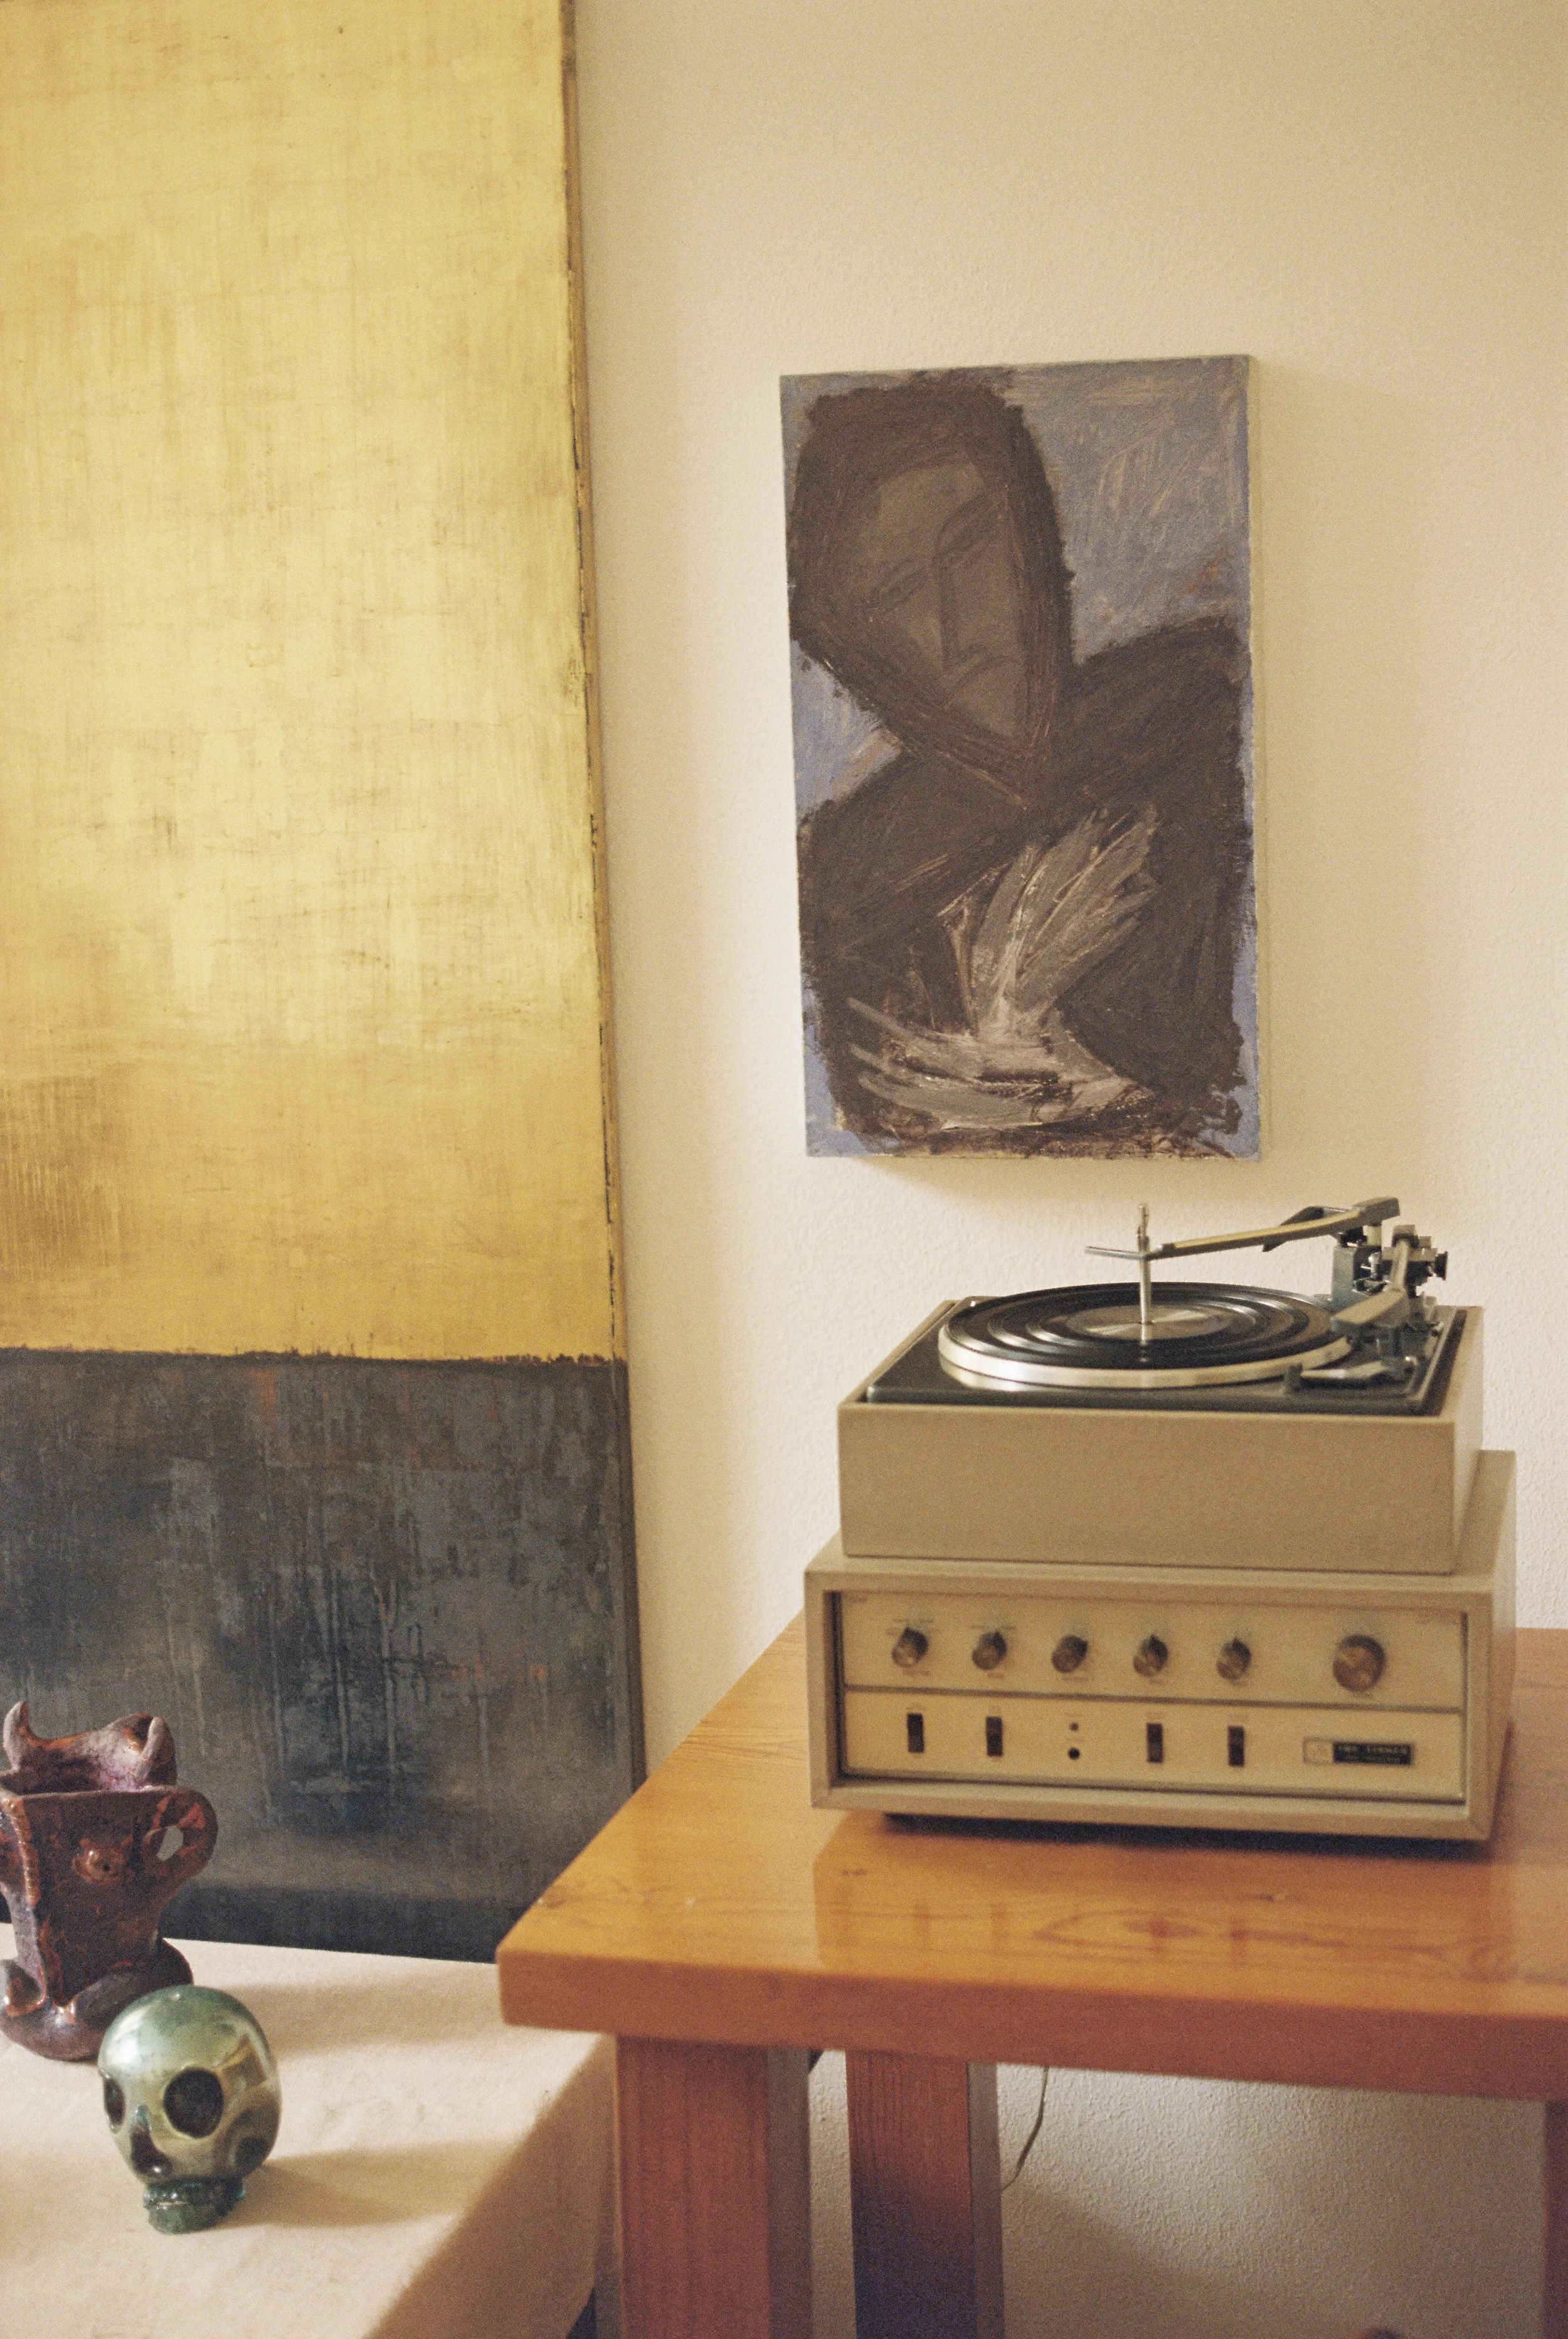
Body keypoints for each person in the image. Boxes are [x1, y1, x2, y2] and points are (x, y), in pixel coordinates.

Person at [789, 375, 1252, 1154]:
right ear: (857, 648)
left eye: (969, 545)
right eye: (900, 592)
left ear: (1033, 543)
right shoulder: (847, 880)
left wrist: (1052, 1070)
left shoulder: (1199, 709)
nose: (955, 625)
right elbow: (888, 1142)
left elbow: (1238, 1102)